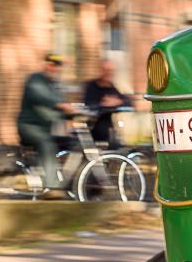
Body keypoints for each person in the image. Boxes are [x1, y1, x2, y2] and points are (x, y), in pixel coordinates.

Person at [17, 54, 80, 195]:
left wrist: (74, 114)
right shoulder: (35, 80)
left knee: (74, 144)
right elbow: (42, 97)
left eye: (57, 66)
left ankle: (74, 184)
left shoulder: (55, 85)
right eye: (51, 64)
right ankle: (52, 188)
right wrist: (62, 105)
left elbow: (61, 111)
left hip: (47, 129)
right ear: (45, 65)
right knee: (47, 144)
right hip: (29, 127)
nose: (54, 68)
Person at [82, 58, 128, 147]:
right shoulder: (91, 86)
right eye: (106, 70)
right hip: (94, 130)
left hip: (109, 130)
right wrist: (104, 104)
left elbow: (127, 102)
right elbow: (88, 105)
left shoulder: (111, 87)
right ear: (100, 70)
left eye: (111, 71)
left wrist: (117, 102)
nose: (109, 73)